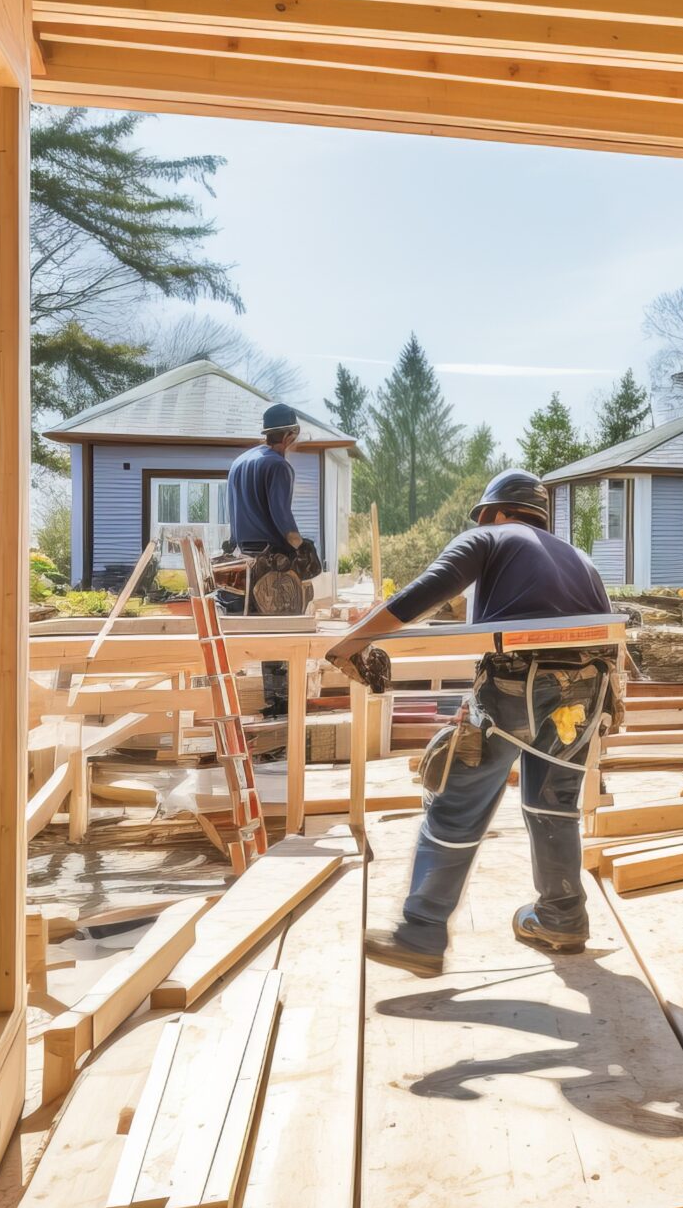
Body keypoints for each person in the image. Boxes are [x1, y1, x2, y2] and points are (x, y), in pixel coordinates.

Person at [327, 469, 618, 976]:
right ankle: (562, 918)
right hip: (586, 691)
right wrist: (609, 707)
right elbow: (609, 640)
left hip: (517, 683)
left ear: (496, 512)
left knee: (457, 802)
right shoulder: (581, 561)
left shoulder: (489, 536)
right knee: (554, 807)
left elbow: (424, 593)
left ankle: (420, 932)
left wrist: (352, 640)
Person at [224, 403, 310, 718]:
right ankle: (281, 711)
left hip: (240, 560)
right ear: (289, 435)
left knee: (248, 638)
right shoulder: (278, 466)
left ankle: (236, 705)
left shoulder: (239, 462)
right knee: (280, 639)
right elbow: (283, 520)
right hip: (270, 564)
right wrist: (301, 548)